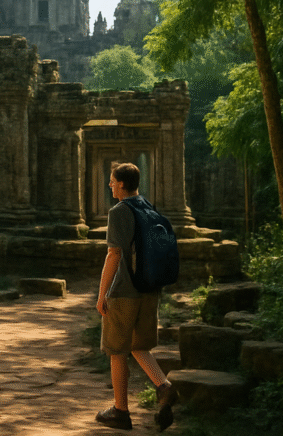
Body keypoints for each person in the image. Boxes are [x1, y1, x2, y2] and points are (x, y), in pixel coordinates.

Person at [95, 162, 177, 431]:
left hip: (125, 292)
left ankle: (120, 411)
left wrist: (102, 294)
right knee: (138, 345)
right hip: (149, 289)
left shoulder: (119, 211)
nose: (109, 185)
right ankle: (163, 386)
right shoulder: (148, 207)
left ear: (121, 184)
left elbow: (114, 254)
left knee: (116, 351)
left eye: (112, 181)